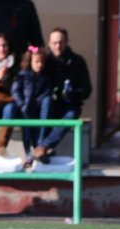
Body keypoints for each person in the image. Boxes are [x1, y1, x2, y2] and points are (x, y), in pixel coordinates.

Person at [33, 27, 92, 163]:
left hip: (69, 104)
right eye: (54, 43)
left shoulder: (77, 62)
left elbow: (86, 90)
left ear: (67, 42)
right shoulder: (42, 60)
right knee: (47, 102)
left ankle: (42, 146)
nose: (58, 46)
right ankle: (42, 146)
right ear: (49, 43)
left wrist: (71, 94)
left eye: (61, 42)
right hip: (47, 104)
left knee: (71, 115)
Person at [12, 46, 51, 167]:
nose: (39, 65)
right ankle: (28, 155)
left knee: (38, 131)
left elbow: (47, 92)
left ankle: (38, 151)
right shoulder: (23, 75)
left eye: (41, 62)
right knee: (27, 133)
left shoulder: (45, 76)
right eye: (37, 62)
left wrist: (39, 101)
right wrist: (22, 104)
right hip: (25, 111)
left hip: (38, 111)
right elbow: (16, 91)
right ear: (30, 62)